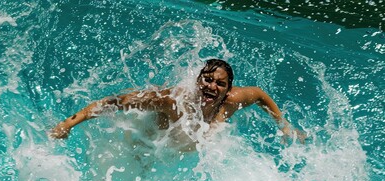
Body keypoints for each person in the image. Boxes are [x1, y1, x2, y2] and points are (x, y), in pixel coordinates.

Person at [51, 59, 306, 143]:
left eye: (219, 83)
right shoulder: (172, 101)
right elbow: (117, 102)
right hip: (153, 138)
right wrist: (68, 124)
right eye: (207, 80)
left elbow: (261, 95)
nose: (212, 86)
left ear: (228, 90)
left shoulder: (234, 99)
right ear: (197, 81)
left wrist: (284, 125)